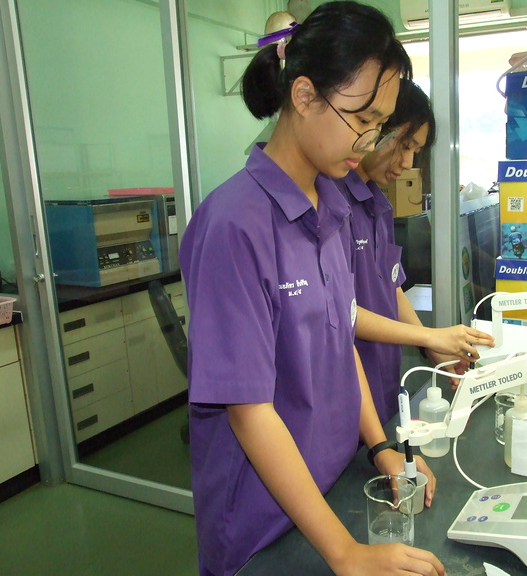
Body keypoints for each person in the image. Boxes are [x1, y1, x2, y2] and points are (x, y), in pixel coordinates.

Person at [178, 3, 446, 576]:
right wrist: (345, 553)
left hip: (330, 486)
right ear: (304, 96)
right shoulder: (234, 225)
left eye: (380, 124)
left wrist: (380, 447)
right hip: (263, 522)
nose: (370, 140)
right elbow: (249, 411)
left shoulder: (331, 210)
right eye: (362, 119)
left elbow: (340, 340)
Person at [339, 79, 495, 423]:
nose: (408, 161)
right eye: (405, 145)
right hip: (344, 387)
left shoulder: (377, 205)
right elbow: (338, 312)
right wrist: (429, 335)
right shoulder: (331, 204)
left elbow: (391, 288)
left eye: (416, 152)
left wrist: (432, 348)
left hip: (381, 378)